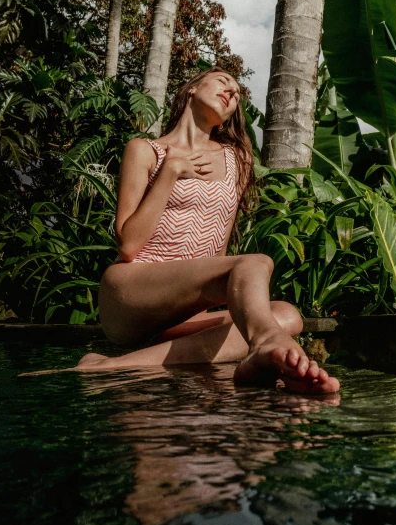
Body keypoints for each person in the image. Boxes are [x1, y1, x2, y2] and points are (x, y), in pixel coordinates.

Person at [72, 66, 339, 394]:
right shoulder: (144, 150)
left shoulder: (236, 159)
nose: (232, 93)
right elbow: (129, 244)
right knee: (255, 263)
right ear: (192, 90)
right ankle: (265, 345)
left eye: (237, 95)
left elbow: (217, 252)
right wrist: (170, 171)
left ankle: (112, 365)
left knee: (286, 315)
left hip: (183, 310)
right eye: (224, 82)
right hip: (131, 292)